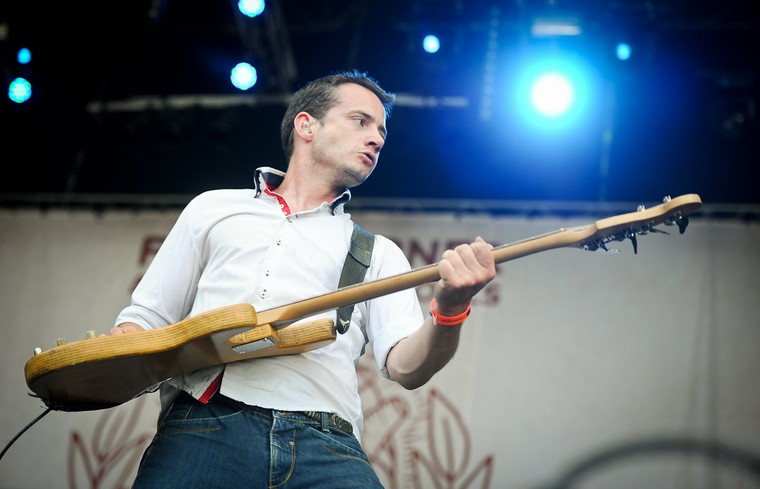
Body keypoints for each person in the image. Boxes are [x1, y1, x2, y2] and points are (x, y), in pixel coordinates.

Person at [110, 69, 496, 488]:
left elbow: (406, 367)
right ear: (306, 124)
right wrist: (112, 348)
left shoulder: (378, 252)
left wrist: (451, 310)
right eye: (360, 121)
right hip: (204, 423)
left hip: (326, 444)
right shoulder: (213, 208)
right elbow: (148, 317)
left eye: (382, 131)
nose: (378, 139)